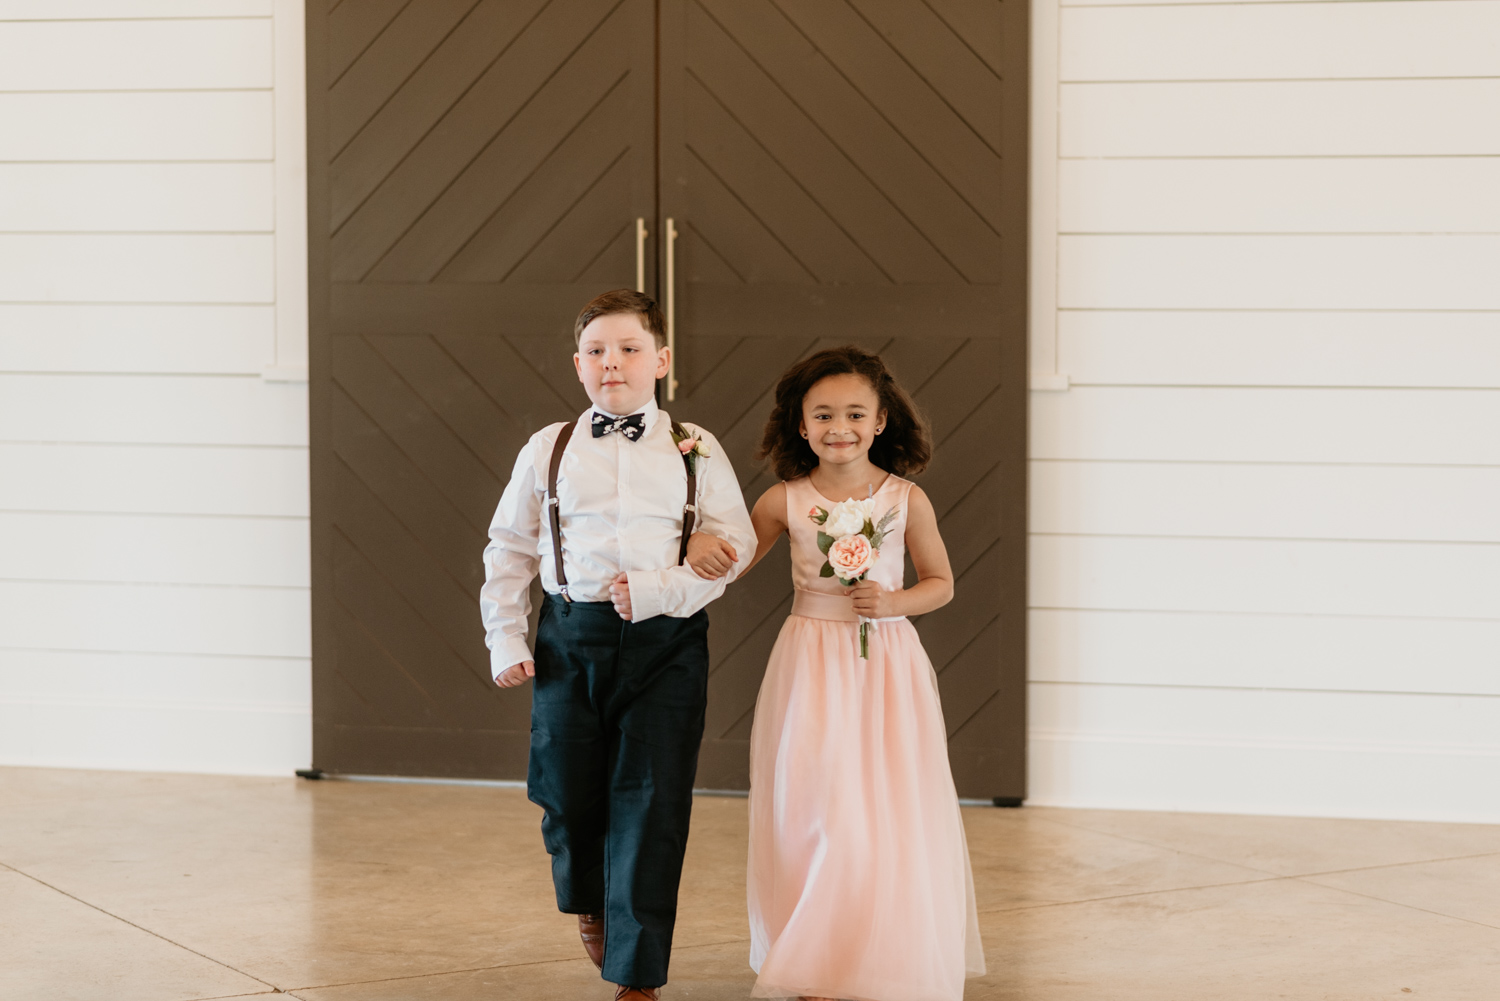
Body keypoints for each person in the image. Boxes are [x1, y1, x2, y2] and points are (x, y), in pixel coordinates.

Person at [684, 345, 985, 1001]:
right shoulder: (782, 501)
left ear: (881, 421)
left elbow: (941, 583)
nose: (838, 426)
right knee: (817, 805)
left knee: (880, 808)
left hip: (885, 666)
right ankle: (816, 959)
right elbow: (728, 567)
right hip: (811, 661)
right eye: (822, 414)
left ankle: (878, 954)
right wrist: (697, 544)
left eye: (854, 413)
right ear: (800, 424)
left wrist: (895, 601)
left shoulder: (907, 499)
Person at [480, 289, 756, 1001]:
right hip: (570, 639)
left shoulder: (696, 447)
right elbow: (509, 547)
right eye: (598, 350)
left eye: (630, 348)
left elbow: (738, 545)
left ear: (660, 359)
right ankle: (590, 898)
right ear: (578, 364)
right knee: (565, 792)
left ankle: (637, 973)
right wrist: (505, 635)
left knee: (652, 797)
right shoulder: (550, 448)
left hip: (667, 645)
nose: (614, 362)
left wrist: (666, 586)